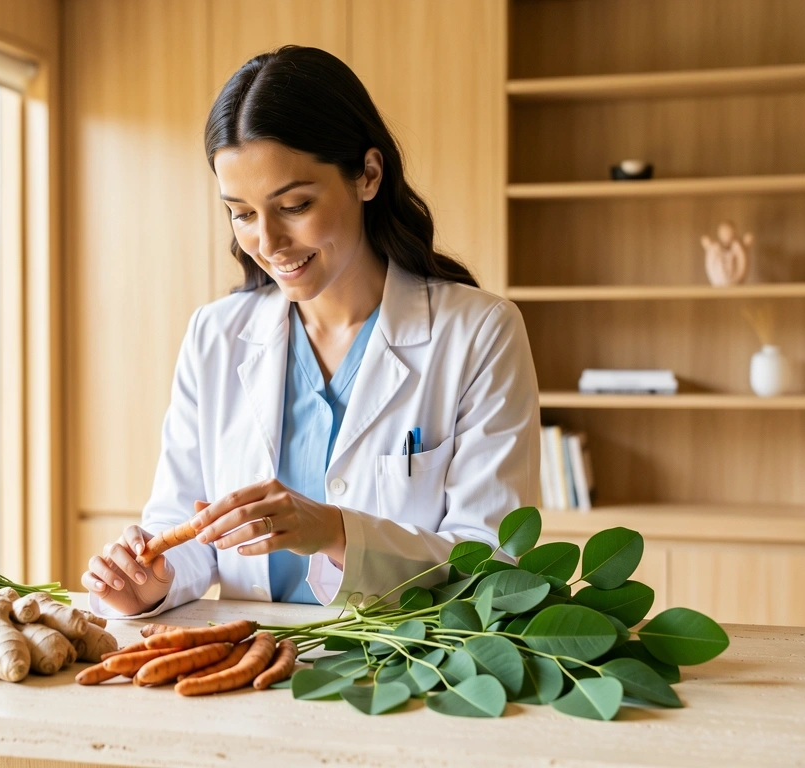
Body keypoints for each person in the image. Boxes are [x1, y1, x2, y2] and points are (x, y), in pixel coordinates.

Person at [82, 45, 539, 618]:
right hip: (249, 678)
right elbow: (187, 525)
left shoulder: (478, 334)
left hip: (408, 677)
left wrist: (333, 530)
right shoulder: (215, 335)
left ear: (368, 175)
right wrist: (151, 579)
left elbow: (494, 566)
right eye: (242, 214)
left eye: (294, 205)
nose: (268, 244)